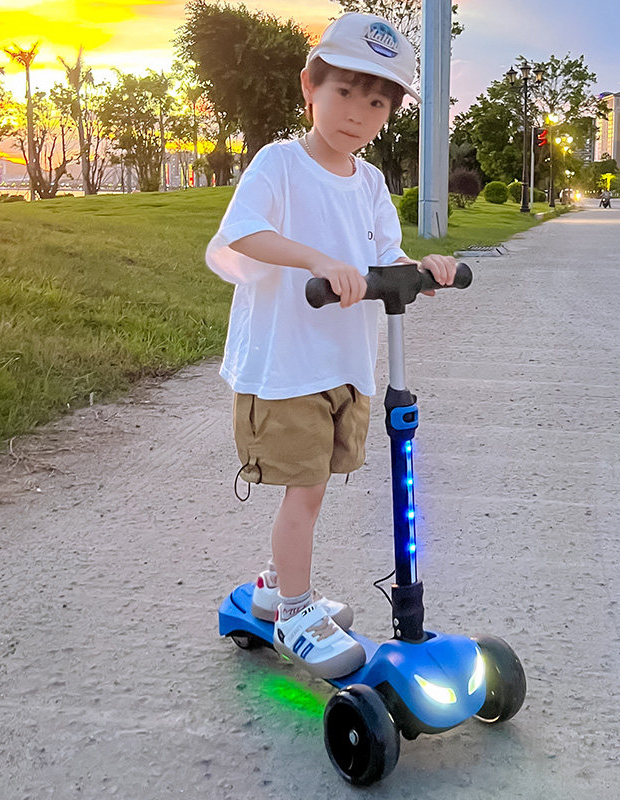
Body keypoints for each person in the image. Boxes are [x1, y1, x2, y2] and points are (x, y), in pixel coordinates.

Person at [205, 13, 456, 680]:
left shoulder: (371, 183)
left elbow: (385, 252)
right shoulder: (280, 164)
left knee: (317, 487)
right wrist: (317, 260)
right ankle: (291, 610)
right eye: (344, 92)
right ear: (308, 88)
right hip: (286, 366)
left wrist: (421, 270)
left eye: (377, 101)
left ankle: (271, 585)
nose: (358, 113)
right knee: (306, 491)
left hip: (344, 362)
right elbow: (243, 235)